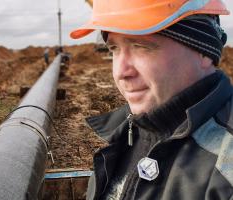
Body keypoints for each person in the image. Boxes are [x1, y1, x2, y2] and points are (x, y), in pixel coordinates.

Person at [70, 0, 233, 199]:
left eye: (140, 46)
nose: (121, 72)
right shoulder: (127, 131)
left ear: (204, 50)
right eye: (114, 49)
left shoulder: (226, 167)